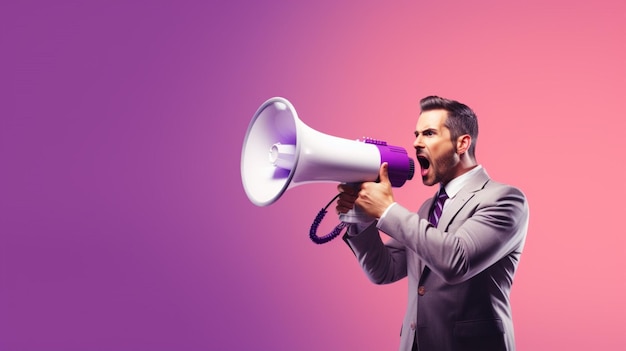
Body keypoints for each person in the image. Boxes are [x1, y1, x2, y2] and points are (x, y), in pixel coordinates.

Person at [336, 96, 529, 351]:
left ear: (462, 143)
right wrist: (360, 218)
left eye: (428, 133)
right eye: (416, 134)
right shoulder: (428, 209)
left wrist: (387, 210)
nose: (416, 143)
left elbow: (456, 261)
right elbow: (384, 270)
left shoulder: (505, 200)